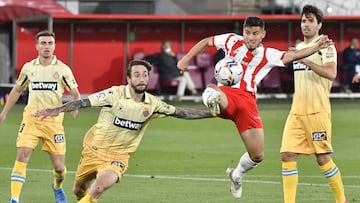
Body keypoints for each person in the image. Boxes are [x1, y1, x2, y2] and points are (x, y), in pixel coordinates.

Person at [177, 16, 334, 199]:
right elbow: (206, 42)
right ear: (242, 32)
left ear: (263, 35)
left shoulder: (268, 54)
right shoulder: (231, 40)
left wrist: (316, 47)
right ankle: (213, 99)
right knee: (213, 90)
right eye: (247, 33)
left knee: (257, 155)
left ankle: (236, 175)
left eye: (255, 34)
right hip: (228, 94)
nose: (250, 37)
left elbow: (293, 55)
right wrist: (186, 60)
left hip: (248, 102)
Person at [34, 59, 213, 203]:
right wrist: (55, 110)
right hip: (93, 152)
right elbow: (83, 102)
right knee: (79, 191)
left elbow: (182, 112)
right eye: (137, 75)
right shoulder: (114, 95)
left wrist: (213, 114)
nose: (142, 78)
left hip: (118, 158)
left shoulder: (153, 104)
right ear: (128, 79)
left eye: (145, 75)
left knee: (98, 188)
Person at [0, 30, 81, 203]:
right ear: (37, 46)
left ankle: (57, 187)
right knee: (22, 156)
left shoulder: (63, 69)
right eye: (43, 43)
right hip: (31, 119)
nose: (47, 46)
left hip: (53, 123)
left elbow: (75, 94)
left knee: (59, 168)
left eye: (50, 43)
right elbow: (17, 90)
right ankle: (14, 199)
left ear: (54, 46)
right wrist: (4, 112)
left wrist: (73, 106)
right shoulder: (29, 68)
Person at [280, 5, 347, 203]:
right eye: (303, 21)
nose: (306, 24)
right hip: (296, 112)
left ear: (319, 24)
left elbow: (331, 73)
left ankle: (342, 201)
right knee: (287, 154)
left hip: (317, 111)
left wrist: (306, 60)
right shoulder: (299, 47)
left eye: (310, 21)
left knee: (323, 158)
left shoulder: (326, 45)